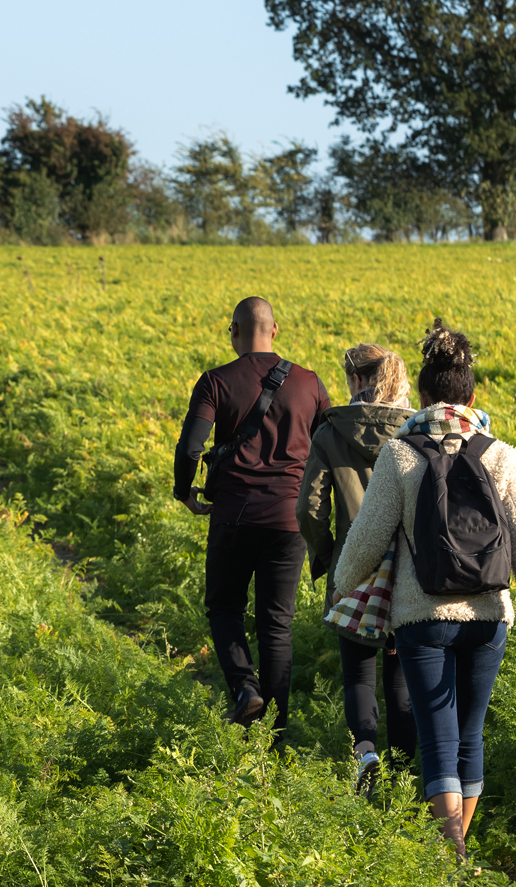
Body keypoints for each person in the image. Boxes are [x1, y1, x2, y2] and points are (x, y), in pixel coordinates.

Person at [327, 319, 516, 858]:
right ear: (473, 396)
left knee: (437, 740)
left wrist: (343, 586)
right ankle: (458, 849)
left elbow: (365, 541)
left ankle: (450, 853)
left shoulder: (400, 454)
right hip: (488, 616)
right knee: (469, 737)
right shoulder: (502, 456)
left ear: (423, 397)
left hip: (421, 618)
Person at [173, 297, 333, 728]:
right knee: (276, 627)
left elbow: (191, 447)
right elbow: (329, 450)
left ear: (234, 331)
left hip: (233, 515)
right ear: (275, 330)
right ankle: (276, 734)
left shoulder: (215, 382)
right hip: (289, 521)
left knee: (224, 609)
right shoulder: (309, 383)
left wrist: (183, 491)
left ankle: (245, 689)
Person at [298, 344, 417, 792]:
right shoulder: (416, 431)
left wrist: (329, 558)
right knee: (402, 679)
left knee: (358, 674)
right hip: (408, 571)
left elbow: (309, 508)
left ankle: (366, 754)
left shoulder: (332, 431)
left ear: (354, 381)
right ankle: (404, 781)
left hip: (354, 566)